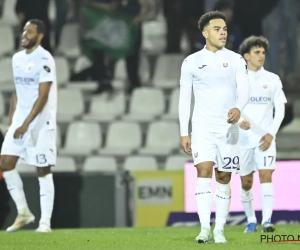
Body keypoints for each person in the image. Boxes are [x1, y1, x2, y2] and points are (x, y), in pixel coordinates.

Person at [179, 11, 250, 243]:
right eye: (217, 29)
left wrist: (238, 107)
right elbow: (184, 99)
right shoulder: (191, 62)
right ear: (205, 33)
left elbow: (245, 90)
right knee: (203, 172)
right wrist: (184, 132)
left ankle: (219, 229)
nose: (223, 33)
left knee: (223, 177)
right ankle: (204, 230)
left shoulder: (237, 59)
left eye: (225, 29)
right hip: (202, 128)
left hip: (228, 129)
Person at [0, 19, 57, 233]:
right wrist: (13, 121)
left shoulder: (45, 59)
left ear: (39, 36)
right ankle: (24, 211)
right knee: (6, 164)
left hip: (40, 122)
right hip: (21, 121)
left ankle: (45, 223)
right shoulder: (16, 59)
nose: (24, 34)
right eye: (23, 30)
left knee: (43, 170)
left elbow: (42, 97)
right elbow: (18, 92)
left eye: (29, 31)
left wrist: (26, 124)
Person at [238, 36, 287, 233]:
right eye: (257, 52)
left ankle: (267, 221)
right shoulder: (238, 79)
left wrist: (271, 134)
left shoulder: (272, 79)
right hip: (242, 140)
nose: (261, 56)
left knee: (266, 176)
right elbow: (229, 108)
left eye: (263, 52)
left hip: (266, 140)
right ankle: (251, 220)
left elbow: (280, 110)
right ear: (246, 56)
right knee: (246, 182)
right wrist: (240, 121)